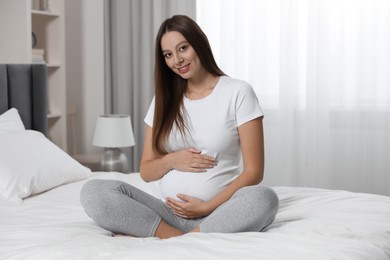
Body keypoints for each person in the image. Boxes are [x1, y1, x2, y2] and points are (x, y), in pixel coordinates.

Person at [80, 15, 279, 239]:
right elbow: (146, 172)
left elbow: (254, 172)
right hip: (166, 212)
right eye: (168, 55)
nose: (177, 60)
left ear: (199, 43)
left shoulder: (238, 92)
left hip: (219, 210)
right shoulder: (164, 100)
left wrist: (206, 207)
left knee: (264, 198)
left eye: (183, 48)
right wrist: (172, 160)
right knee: (93, 191)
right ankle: (177, 236)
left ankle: (174, 236)